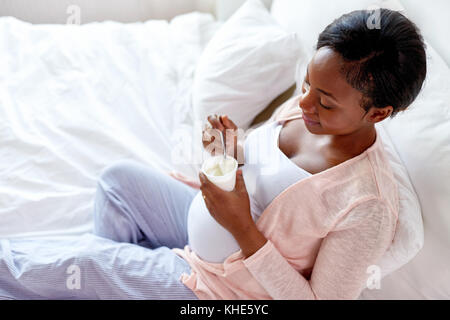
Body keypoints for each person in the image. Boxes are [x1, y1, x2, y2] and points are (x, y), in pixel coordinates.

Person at [0, 8, 426, 300]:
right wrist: (229, 153)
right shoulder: (306, 107)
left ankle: (114, 275)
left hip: (221, 289)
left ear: (379, 112)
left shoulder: (367, 207)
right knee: (117, 182)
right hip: (203, 227)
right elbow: (258, 174)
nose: (305, 103)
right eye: (306, 84)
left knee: (80, 262)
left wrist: (242, 228)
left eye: (326, 101)